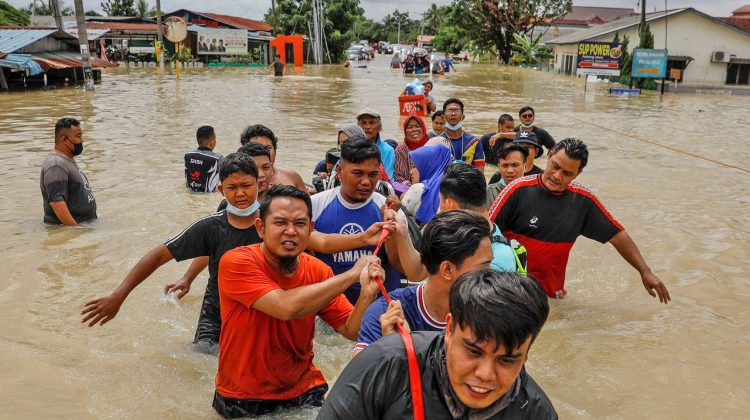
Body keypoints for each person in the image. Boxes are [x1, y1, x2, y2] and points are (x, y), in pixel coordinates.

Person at [213, 185, 385, 418]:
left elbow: (351, 330)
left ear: (311, 229)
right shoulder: (237, 261)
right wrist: (351, 275)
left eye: (300, 224)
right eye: (281, 223)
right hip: (243, 395)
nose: (291, 231)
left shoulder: (318, 270)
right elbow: (286, 307)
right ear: (261, 228)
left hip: (304, 387)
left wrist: (366, 294)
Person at [81, 153, 263, 355]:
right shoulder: (211, 226)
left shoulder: (274, 223)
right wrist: (118, 295)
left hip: (262, 314)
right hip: (216, 319)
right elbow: (158, 255)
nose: (240, 193)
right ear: (220, 190)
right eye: (232, 187)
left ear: (259, 185)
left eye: (246, 186)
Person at [318, 269, 557, 419]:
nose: (485, 374)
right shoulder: (385, 366)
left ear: (525, 356)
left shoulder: (535, 411)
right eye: (473, 351)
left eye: (506, 360)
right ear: (449, 329)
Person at [489, 138, 671, 303]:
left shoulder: (583, 201)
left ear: (578, 173)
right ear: (549, 155)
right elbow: (484, 231)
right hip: (509, 292)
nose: (557, 176)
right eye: (555, 166)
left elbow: (617, 234)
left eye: (567, 173)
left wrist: (645, 271)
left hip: (551, 295)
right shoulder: (517, 190)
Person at [353, 210, 493, 355]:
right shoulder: (386, 314)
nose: (491, 274)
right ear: (447, 270)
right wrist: (393, 348)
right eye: (484, 266)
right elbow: (357, 375)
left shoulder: (492, 313)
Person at [311, 138, 405, 304]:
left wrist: (393, 231)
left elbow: (400, 266)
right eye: (358, 173)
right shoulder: (315, 205)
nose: (366, 182)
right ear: (339, 171)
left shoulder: (388, 209)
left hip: (381, 307)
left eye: (373, 175)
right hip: (331, 307)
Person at [40, 117, 96, 226]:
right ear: (64, 140)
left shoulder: (66, 160)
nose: (82, 140)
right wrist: (76, 230)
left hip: (84, 225)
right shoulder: (56, 165)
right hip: (72, 229)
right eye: (78, 136)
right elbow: (56, 202)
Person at [239, 124, 307, 192]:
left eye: (268, 147)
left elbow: (307, 201)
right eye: (256, 147)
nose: (264, 151)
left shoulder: (292, 176)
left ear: (275, 151)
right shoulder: (238, 182)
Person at [400, 144, 453, 224]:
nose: (410, 172)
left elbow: (399, 217)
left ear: (428, 165)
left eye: (414, 166)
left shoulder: (418, 189)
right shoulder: (452, 186)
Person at [440, 98, 486, 174]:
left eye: (457, 110)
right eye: (450, 110)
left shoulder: (474, 142)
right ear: (444, 117)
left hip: (468, 183)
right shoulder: (436, 141)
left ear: (463, 117)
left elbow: (480, 173)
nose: (453, 113)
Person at [356, 109, 397, 181]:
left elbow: (388, 180)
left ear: (379, 127)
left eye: (372, 123)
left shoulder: (387, 150)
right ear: (357, 127)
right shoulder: (350, 148)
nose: (367, 126)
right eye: (363, 123)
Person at [184, 125, 224, 193]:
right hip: (209, 196)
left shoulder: (188, 156)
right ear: (212, 141)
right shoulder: (218, 158)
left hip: (190, 193)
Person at [394, 116, 429, 185]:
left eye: (417, 126)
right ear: (405, 131)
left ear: (423, 128)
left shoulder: (432, 145)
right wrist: (413, 188)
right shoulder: (402, 149)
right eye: (410, 127)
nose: (414, 130)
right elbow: (400, 177)